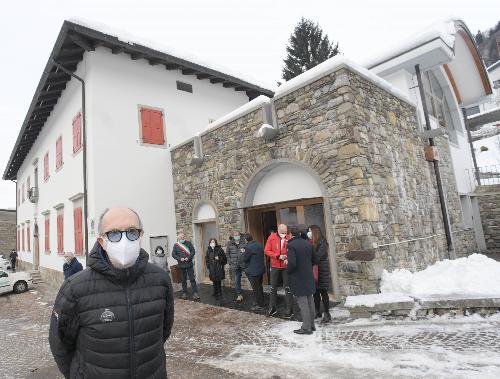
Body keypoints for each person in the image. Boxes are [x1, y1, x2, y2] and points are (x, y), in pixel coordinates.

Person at [49, 207, 174, 378]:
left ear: (140, 236)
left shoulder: (160, 280)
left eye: (132, 232)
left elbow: (162, 331)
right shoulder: (75, 288)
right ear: (102, 241)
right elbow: (61, 345)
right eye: (114, 233)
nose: (124, 240)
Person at [286, 224, 316, 335]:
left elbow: (292, 263)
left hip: (298, 277)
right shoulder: (307, 243)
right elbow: (314, 259)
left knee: (303, 303)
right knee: (310, 301)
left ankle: (306, 328)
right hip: (308, 275)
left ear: (290, 234)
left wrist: (288, 270)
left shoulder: (291, 245)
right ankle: (311, 325)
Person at [264, 224, 293, 317]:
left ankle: (289, 309)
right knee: (273, 287)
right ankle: (272, 307)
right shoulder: (271, 237)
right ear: (278, 231)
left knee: (288, 288)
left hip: (285, 266)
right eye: (282, 233)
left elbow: (293, 251)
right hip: (275, 265)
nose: (284, 234)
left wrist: (287, 257)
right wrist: (277, 256)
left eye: (285, 232)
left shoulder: (289, 238)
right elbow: (267, 250)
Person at [309, 225, 332, 323]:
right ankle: (317, 311)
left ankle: (327, 313)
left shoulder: (322, 242)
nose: (309, 233)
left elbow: (318, 256)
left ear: (314, 232)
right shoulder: (314, 242)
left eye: (310, 231)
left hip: (321, 271)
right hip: (315, 271)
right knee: (315, 293)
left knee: (323, 292)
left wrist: (310, 253)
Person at [241, 233, 266, 312]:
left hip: (253, 271)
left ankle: (260, 305)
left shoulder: (248, 247)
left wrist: (243, 252)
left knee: (256, 288)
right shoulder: (259, 244)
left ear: (246, 240)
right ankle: (260, 302)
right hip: (260, 270)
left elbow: (245, 259)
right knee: (259, 286)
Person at [172, 231, 200, 300]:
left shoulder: (188, 243)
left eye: (183, 237)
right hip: (181, 265)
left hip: (189, 264)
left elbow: (193, 251)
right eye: (181, 237)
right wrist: (179, 258)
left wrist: (188, 257)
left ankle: (195, 293)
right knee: (183, 280)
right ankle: (185, 293)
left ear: (185, 237)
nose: (182, 238)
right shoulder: (176, 245)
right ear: (178, 237)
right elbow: (173, 254)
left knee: (192, 279)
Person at [227, 231, 246, 302]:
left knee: (251, 277)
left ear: (240, 235)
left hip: (243, 264)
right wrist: (230, 262)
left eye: (238, 235)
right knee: (237, 280)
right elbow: (227, 254)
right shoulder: (230, 243)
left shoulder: (243, 242)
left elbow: (247, 251)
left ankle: (256, 293)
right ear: (233, 236)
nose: (236, 236)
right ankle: (239, 295)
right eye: (235, 235)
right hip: (235, 265)